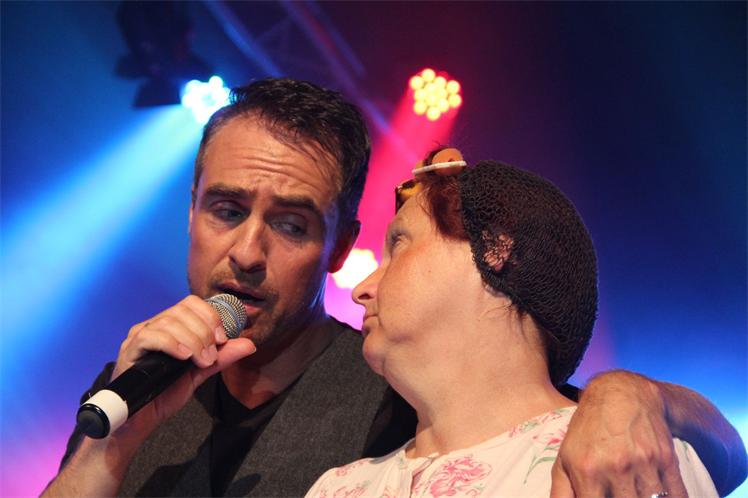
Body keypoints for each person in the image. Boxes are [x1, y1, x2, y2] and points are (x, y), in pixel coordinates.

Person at [43, 78, 746, 497]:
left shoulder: (397, 381)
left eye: (289, 225)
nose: (247, 253)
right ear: (191, 211)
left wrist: (632, 393)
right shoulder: (134, 385)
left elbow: (576, 420)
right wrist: (113, 448)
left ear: (337, 246)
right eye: (226, 211)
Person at [306, 148, 717, 497]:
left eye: (398, 244)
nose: (361, 289)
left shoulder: (622, 458)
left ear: (493, 248)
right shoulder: (338, 487)